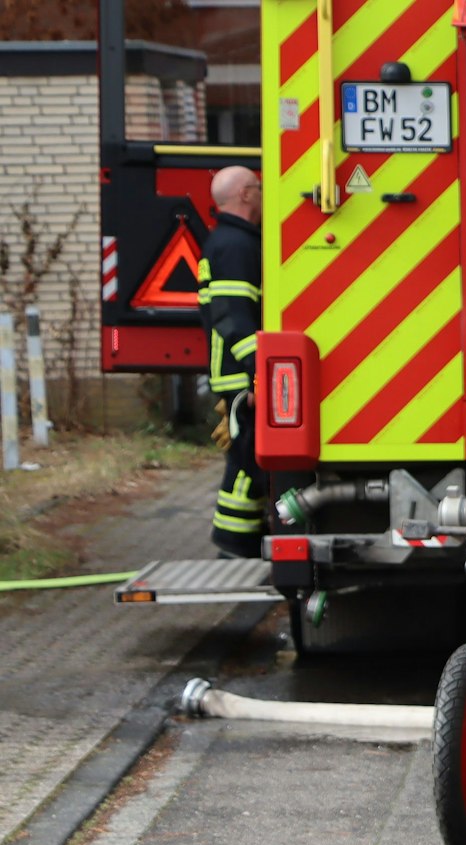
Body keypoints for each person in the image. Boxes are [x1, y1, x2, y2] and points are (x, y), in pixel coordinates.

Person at [200, 166, 265, 558]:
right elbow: (231, 316)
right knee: (250, 459)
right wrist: (260, 372)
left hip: (237, 374)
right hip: (241, 375)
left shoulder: (230, 241)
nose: (262, 195)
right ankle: (235, 545)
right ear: (244, 194)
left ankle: (237, 543)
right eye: (258, 188)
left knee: (244, 461)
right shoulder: (234, 246)